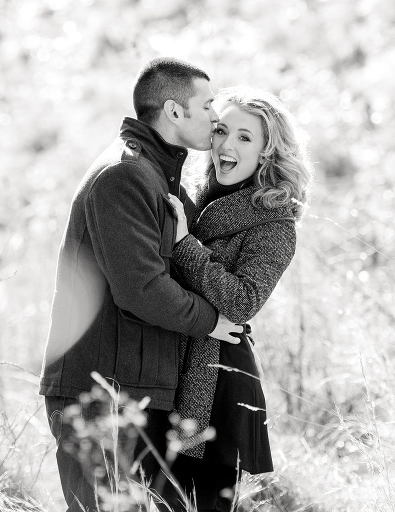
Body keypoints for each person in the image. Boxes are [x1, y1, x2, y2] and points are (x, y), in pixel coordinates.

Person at [38, 58, 244, 512]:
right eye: (207, 105)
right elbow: (141, 289)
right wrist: (211, 322)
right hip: (99, 396)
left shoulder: (157, 173)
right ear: (174, 111)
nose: (216, 117)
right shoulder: (126, 174)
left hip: (130, 391)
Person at [163, 86, 314, 512]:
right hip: (170, 368)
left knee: (201, 502)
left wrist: (184, 243)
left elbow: (243, 300)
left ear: (268, 152)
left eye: (245, 137)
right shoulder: (201, 197)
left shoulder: (275, 223)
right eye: (221, 131)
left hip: (213, 382)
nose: (226, 145)